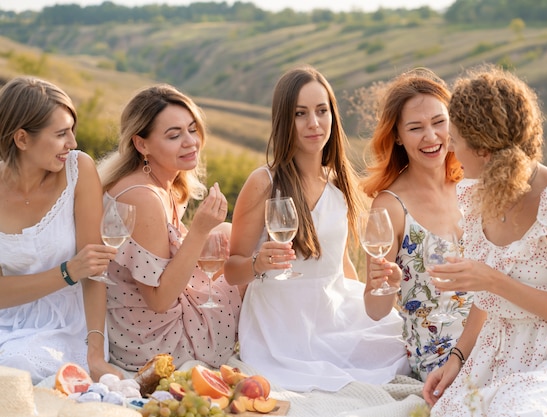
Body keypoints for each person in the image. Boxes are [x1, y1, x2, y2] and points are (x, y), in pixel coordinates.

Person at [422, 64, 547, 415]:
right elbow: (485, 302)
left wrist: (494, 281)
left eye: (456, 141)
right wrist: (456, 360)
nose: (450, 149)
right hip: (495, 356)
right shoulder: (475, 195)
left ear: (483, 150)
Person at [224, 65, 409, 392]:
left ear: (332, 116)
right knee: (311, 377)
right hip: (281, 321)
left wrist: (362, 309)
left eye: (322, 111)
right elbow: (232, 270)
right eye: (300, 113)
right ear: (284, 120)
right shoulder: (264, 182)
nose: (314, 123)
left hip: (331, 308)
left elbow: (339, 263)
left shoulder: (338, 183)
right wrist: (258, 264)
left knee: (402, 344)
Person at [97, 84, 241, 372]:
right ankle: (278, 351)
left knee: (227, 235)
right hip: (153, 341)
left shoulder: (163, 182)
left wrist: (207, 235)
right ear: (142, 144)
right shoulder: (143, 197)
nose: (190, 142)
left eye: (191, 129)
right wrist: (199, 231)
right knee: (249, 273)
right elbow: (159, 300)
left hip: (155, 320)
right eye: (174, 135)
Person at [0, 76, 122, 384]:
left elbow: (94, 272)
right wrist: (68, 271)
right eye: (60, 134)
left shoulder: (79, 169)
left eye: (72, 130)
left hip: (66, 325)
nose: (72, 143)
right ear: (22, 139)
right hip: (7, 317)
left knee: (13, 368)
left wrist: (95, 353)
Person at [360, 67, 473, 381]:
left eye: (439, 122)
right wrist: (390, 283)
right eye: (415, 127)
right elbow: (375, 309)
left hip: (491, 325)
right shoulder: (390, 206)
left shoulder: (472, 185)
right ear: (396, 136)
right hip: (441, 347)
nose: (431, 136)